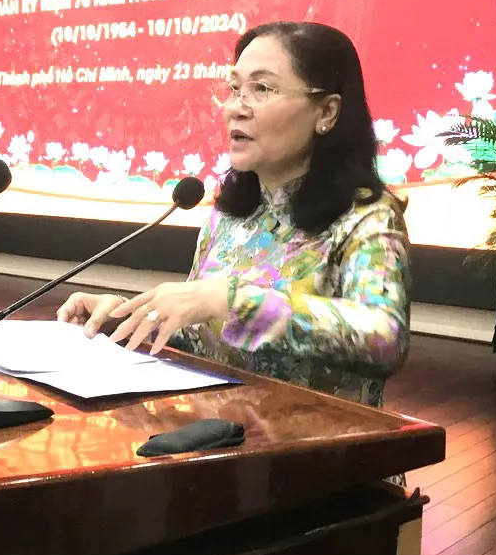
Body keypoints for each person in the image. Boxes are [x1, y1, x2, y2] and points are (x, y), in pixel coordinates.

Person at [57, 21, 410, 408]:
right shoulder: (228, 217)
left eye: (262, 89)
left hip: (324, 441)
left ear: (326, 111)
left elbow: (385, 338)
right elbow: (204, 337)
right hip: (218, 434)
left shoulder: (367, 216)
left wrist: (235, 300)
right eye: (234, 89)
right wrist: (129, 317)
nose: (236, 108)